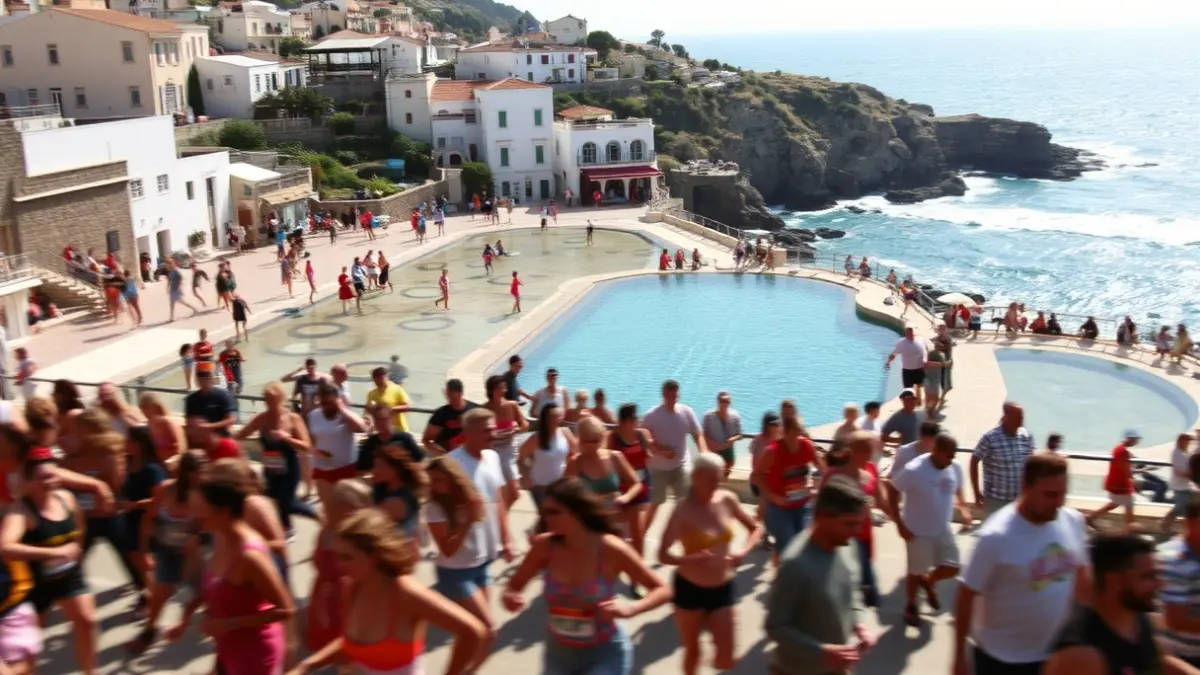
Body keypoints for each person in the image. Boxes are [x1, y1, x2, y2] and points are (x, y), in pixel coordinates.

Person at [502, 477, 670, 675]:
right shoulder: (544, 547)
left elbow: (662, 589)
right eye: (544, 512)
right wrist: (510, 596)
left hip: (604, 653)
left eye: (553, 512)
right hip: (558, 656)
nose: (545, 518)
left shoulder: (610, 548)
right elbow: (514, 586)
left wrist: (631, 609)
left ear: (576, 512)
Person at [293, 507, 488, 675]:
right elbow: (350, 646)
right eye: (338, 556)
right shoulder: (351, 586)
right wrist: (307, 665)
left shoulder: (407, 593)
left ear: (375, 555)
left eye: (347, 557)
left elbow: (472, 632)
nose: (338, 565)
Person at [952, 453, 1089, 675]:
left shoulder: (1073, 521)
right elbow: (966, 595)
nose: (1058, 503)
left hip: (1055, 656)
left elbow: (1083, 576)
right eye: (1050, 494)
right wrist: (959, 658)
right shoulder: (994, 538)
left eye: (1062, 494)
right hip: (1001, 661)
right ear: (1025, 486)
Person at [182, 459, 293, 675]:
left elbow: (286, 610)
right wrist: (191, 608)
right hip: (228, 649)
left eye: (200, 510)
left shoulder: (249, 555)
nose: (192, 517)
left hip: (254, 657)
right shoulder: (221, 538)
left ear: (223, 512)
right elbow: (218, 583)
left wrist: (226, 625)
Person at [659, 453, 762, 674]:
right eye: (712, 478)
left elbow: (756, 528)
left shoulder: (727, 499)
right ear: (696, 477)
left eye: (720, 477)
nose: (718, 483)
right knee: (693, 652)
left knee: (727, 657)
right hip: (689, 588)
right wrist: (690, 559)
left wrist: (743, 550)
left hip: (722, 587)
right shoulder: (683, 509)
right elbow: (662, 554)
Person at [426, 409, 512, 667]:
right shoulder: (452, 466)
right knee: (487, 630)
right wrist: (465, 521)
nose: (494, 433)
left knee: (475, 634)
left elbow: (497, 500)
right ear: (469, 433)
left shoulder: (493, 457)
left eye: (493, 428)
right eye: (487, 430)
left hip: (484, 561)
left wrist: (506, 539)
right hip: (457, 568)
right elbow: (437, 508)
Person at [764, 476, 874, 675]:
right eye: (850, 524)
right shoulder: (795, 565)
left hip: (836, 667)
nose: (857, 531)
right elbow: (775, 625)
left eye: (859, 523)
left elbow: (852, 590)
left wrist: (859, 625)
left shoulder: (846, 545)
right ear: (823, 517)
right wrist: (820, 651)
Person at [0, 446, 95, 675]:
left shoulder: (67, 499)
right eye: (43, 478)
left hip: (69, 576)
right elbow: (4, 547)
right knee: (31, 647)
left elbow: (80, 527)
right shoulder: (20, 512)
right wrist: (55, 553)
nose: (51, 481)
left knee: (87, 621)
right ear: (28, 482)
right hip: (36, 584)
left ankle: (90, 672)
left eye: (53, 475)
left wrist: (77, 547)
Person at [1044, 533, 1191, 675]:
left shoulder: (1137, 617)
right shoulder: (1082, 656)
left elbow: (1160, 661)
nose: (1160, 584)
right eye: (1148, 577)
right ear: (1114, 581)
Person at [127, 449, 204, 654]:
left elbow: (214, 527)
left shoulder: (206, 495)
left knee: (205, 595)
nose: (199, 476)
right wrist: (145, 552)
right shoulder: (164, 490)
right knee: (161, 594)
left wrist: (196, 538)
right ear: (184, 472)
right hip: (168, 552)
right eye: (195, 471)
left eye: (203, 471)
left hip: (195, 557)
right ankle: (149, 631)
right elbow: (147, 519)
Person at [891, 433, 972, 626]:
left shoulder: (954, 467)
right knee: (915, 571)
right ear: (935, 451)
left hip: (943, 529)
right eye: (948, 456)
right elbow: (892, 490)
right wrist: (900, 525)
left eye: (953, 456)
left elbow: (957, 487)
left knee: (953, 567)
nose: (951, 460)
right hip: (917, 532)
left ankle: (929, 581)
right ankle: (911, 605)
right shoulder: (914, 470)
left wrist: (963, 507)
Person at [235, 382, 319, 537]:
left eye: (273, 400)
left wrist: (287, 438)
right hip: (270, 468)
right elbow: (240, 435)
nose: (269, 404)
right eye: (266, 400)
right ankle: (286, 529)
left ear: (281, 399)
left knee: (287, 501)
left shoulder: (293, 418)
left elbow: (307, 446)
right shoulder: (261, 419)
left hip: (289, 468)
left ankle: (316, 515)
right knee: (272, 499)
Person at [302, 479, 373, 658]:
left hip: (356, 603)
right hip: (326, 601)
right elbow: (319, 567)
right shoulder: (326, 532)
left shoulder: (369, 536)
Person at [643, 380, 707, 533]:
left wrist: (704, 453)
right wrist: (660, 451)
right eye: (670, 396)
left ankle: (692, 537)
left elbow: (698, 434)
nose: (673, 399)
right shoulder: (652, 416)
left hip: (681, 466)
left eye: (675, 396)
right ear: (664, 395)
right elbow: (644, 439)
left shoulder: (686, 412)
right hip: (658, 469)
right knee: (655, 504)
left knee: (687, 502)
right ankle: (640, 535)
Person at [758, 413, 825, 559]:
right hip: (780, 508)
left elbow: (823, 469)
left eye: (800, 431)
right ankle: (783, 574)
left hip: (802, 504)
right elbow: (757, 475)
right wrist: (772, 496)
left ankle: (789, 572)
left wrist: (817, 489)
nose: (799, 436)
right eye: (796, 431)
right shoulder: (773, 451)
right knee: (788, 546)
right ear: (786, 431)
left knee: (803, 546)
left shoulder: (806, 446)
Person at [307, 382, 369, 506]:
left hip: (345, 468)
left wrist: (342, 409)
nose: (325, 407)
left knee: (346, 507)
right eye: (323, 402)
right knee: (328, 506)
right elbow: (312, 439)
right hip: (322, 468)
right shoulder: (314, 415)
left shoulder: (345, 416)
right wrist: (316, 452)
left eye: (329, 403)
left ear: (337, 400)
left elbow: (362, 428)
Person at [970, 402, 1035, 518]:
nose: (1021, 420)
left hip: (1020, 501)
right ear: (1007, 417)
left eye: (1022, 417)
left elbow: (1033, 465)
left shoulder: (1026, 437)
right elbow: (974, 460)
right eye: (1018, 417)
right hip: (996, 501)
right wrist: (976, 492)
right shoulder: (990, 438)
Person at [565, 416, 641, 510]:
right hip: (589, 519)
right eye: (588, 441)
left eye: (596, 441)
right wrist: (598, 499)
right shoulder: (575, 463)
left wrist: (626, 497)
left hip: (615, 517)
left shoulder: (614, 457)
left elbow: (637, 483)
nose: (593, 445)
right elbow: (566, 496)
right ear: (580, 440)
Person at [519, 403, 577, 525]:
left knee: (560, 519)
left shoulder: (565, 432)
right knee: (547, 520)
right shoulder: (537, 438)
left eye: (558, 416)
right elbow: (521, 458)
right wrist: (527, 476)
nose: (557, 419)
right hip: (541, 486)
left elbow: (575, 453)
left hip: (560, 485)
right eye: (553, 417)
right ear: (545, 419)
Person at [484, 374, 528, 508]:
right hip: (492, 450)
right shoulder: (485, 409)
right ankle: (502, 514)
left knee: (515, 492)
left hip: (509, 449)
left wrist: (516, 429)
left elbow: (524, 425)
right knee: (499, 491)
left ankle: (503, 512)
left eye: (504, 388)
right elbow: (481, 433)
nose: (503, 391)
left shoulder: (511, 405)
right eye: (499, 388)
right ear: (491, 390)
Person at [1086, 429, 1140, 531]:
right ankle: (1130, 531)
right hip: (1120, 484)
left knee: (1114, 504)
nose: (1137, 442)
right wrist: (1140, 472)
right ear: (1131, 439)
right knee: (1128, 505)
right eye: (1136, 440)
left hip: (1117, 483)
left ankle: (1089, 517)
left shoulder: (1119, 449)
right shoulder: (1122, 451)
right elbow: (1127, 471)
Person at [423, 379, 478, 456]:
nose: (447, 397)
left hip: (469, 455)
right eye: (446, 394)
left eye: (450, 394)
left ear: (460, 393)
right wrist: (440, 453)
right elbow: (426, 439)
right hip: (447, 457)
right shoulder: (441, 414)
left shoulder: (475, 411)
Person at [702, 391, 744, 477]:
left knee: (727, 471)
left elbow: (740, 434)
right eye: (722, 401)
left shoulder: (735, 416)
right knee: (713, 473)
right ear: (718, 401)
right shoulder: (708, 416)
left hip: (728, 450)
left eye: (727, 401)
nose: (725, 403)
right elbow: (702, 433)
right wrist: (711, 443)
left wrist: (733, 439)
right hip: (714, 450)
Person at [1161, 433, 1195, 535]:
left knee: (1184, 508)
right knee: (1179, 508)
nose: (1188, 443)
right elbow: (1178, 471)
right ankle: (1164, 524)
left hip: (1185, 485)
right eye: (1187, 441)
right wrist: (1193, 476)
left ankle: (1186, 529)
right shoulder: (1177, 454)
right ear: (1180, 441)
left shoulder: (1183, 452)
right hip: (1179, 486)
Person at [886, 326, 930, 402]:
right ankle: (911, 403)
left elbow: (925, 350)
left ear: (914, 333)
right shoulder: (902, 343)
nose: (910, 335)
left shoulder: (921, 340)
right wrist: (888, 362)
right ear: (906, 334)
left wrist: (925, 360)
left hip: (919, 368)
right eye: (908, 333)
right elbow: (894, 354)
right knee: (908, 388)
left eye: (911, 333)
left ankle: (919, 401)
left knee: (920, 386)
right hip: (907, 369)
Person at [366, 366, 412, 435]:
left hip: (400, 431)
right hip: (381, 433)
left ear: (386, 377)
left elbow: (407, 406)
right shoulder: (371, 394)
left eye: (380, 377)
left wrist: (390, 409)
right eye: (375, 378)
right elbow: (368, 411)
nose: (378, 380)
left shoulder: (397, 389)